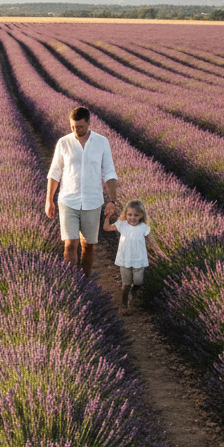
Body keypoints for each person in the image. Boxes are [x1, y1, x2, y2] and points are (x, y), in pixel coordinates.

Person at [45, 106, 119, 277]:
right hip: (68, 200)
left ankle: (84, 281)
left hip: (92, 202)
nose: (75, 130)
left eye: (79, 127)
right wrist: (49, 199)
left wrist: (112, 200)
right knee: (70, 244)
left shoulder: (102, 142)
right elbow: (54, 172)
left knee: (88, 245)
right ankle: (70, 281)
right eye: (72, 126)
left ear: (88, 123)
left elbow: (109, 172)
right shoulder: (64, 142)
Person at [103, 199, 151, 310]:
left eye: (135, 215)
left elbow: (151, 240)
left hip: (139, 260)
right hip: (124, 259)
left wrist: (160, 252)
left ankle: (133, 293)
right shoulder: (122, 225)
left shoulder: (144, 227)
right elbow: (107, 228)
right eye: (129, 215)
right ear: (125, 215)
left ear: (141, 215)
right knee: (126, 284)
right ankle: (124, 304)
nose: (132, 218)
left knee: (139, 282)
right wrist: (108, 217)